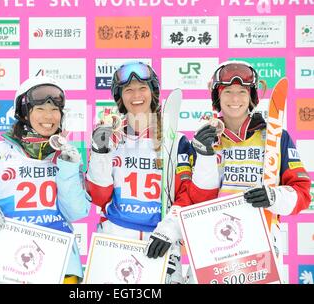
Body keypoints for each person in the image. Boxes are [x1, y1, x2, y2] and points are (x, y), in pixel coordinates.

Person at [145, 60, 312, 283]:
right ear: (217, 97)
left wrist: (274, 196)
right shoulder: (205, 138)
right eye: (228, 92)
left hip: (259, 243)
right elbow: (194, 198)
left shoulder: (274, 137)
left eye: (242, 92)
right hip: (213, 240)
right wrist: (168, 229)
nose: (235, 99)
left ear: (251, 96)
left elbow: (301, 193)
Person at [0, 77, 91, 284]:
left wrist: (68, 169)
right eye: (40, 109)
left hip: (58, 256)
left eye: (54, 110)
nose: (49, 117)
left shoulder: (65, 156)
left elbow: (76, 212)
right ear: (24, 112)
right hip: (8, 256)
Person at [85, 61, 195, 284]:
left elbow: (187, 195)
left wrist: (170, 230)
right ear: (120, 97)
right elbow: (99, 197)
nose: (136, 95)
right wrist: (100, 153)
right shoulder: (109, 137)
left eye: (142, 88)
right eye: (128, 90)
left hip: (160, 242)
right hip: (116, 238)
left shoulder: (178, 141)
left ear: (153, 92)